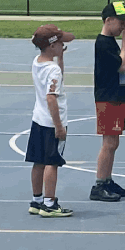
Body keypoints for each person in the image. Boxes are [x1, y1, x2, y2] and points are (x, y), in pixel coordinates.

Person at [92, 1, 125, 203]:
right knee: (109, 142)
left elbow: (122, 75)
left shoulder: (111, 42)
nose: (123, 26)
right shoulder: (103, 43)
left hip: (116, 97)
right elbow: (121, 65)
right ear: (108, 20)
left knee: (114, 142)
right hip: (107, 98)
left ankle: (108, 180)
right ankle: (99, 184)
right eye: (120, 22)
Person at [27, 24, 74, 218]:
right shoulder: (52, 70)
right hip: (51, 122)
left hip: (38, 119)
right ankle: (50, 203)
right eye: (60, 42)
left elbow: (57, 78)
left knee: (38, 161)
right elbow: (51, 97)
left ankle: (37, 200)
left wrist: (60, 57)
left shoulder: (37, 62)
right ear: (52, 45)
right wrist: (59, 126)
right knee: (51, 162)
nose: (63, 44)